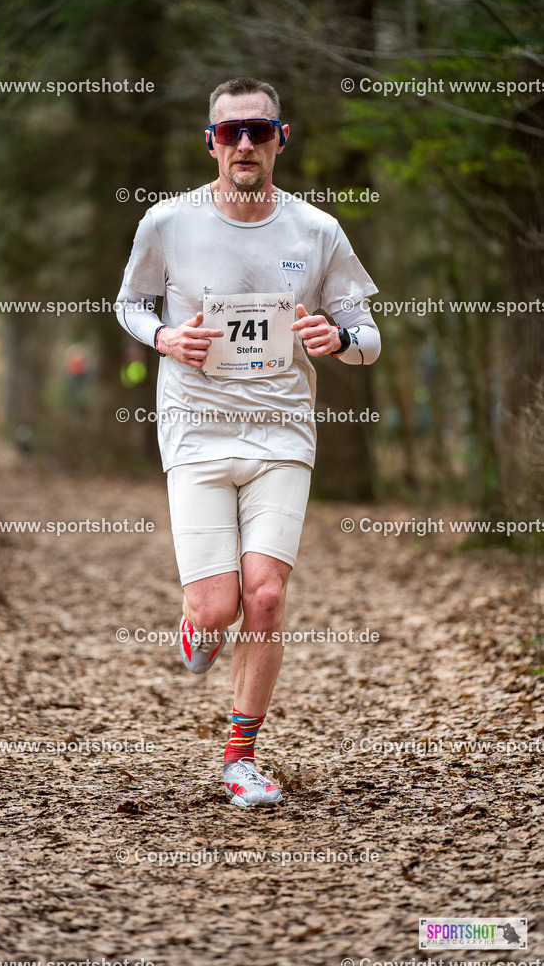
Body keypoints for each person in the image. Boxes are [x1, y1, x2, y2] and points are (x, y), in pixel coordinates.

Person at [116, 76, 380, 808]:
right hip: (195, 430)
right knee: (217, 608)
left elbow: (367, 336)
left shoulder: (317, 231)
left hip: (281, 432)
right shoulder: (167, 223)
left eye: (257, 131)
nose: (243, 143)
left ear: (279, 140)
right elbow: (129, 304)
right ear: (209, 141)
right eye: (229, 132)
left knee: (263, 596)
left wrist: (339, 340)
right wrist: (166, 337)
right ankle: (195, 628)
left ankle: (240, 757)